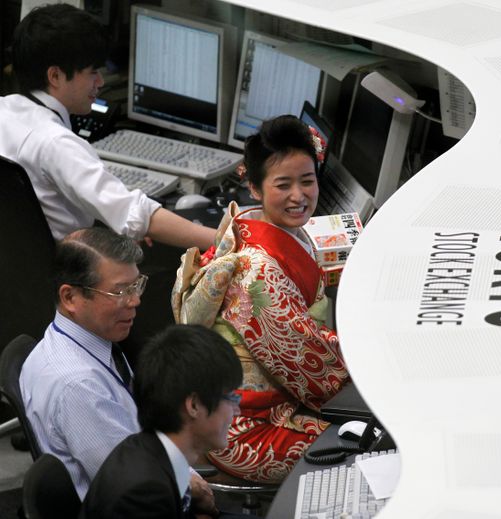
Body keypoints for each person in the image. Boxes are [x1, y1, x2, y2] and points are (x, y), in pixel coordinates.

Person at [173, 115, 350, 483]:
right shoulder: (258, 271)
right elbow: (312, 366)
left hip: (260, 399)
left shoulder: (250, 225)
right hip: (238, 427)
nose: (299, 196)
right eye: (283, 185)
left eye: (308, 181)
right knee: (356, 450)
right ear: (254, 187)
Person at [19, 228, 215, 513]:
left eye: (136, 286)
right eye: (120, 291)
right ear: (70, 297)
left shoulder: (80, 340)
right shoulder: (79, 386)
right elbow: (136, 484)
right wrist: (194, 488)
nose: (135, 301)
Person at [0, 4, 215, 249]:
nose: (100, 82)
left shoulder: (4, 110)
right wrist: (229, 242)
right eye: (92, 72)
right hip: (69, 273)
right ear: (55, 76)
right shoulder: (56, 143)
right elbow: (136, 216)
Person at [80, 324, 243, 519]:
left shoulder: (150, 448)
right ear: (194, 406)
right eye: (231, 398)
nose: (237, 410)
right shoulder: (144, 493)